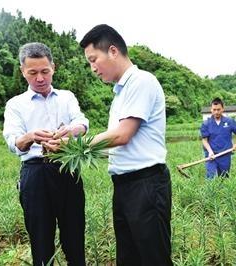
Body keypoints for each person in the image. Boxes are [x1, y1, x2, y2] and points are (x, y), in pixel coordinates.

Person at [74, 24, 172, 265]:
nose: (92, 68)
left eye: (94, 59)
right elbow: (115, 145)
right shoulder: (120, 93)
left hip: (145, 185)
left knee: (153, 258)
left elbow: (122, 135)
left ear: (113, 51)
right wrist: (68, 150)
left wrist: (78, 145)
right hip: (125, 186)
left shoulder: (141, 82)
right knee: (128, 258)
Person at [2, 42, 88, 265]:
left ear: (53, 67)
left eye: (45, 71)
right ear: (23, 71)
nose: (40, 78)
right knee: (40, 238)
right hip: (35, 174)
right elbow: (13, 142)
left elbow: (81, 123)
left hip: (67, 169)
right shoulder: (15, 105)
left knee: (75, 233)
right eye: (32, 73)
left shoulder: (66, 97)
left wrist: (70, 131)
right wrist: (31, 136)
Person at [200, 98, 236, 179]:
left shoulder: (229, 121)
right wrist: (210, 152)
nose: (216, 112)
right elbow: (204, 140)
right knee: (210, 177)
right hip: (211, 155)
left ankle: (223, 191)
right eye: (214, 109)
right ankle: (210, 191)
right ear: (211, 109)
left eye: (218, 109)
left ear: (223, 109)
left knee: (224, 177)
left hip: (225, 154)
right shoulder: (206, 124)